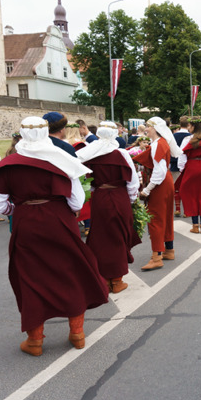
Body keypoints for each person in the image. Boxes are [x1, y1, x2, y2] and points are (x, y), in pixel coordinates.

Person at [0, 116, 108, 356]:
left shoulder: (10, 163)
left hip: (26, 221)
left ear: (22, 133)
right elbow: (76, 200)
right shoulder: (61, 160)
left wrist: (15, 210)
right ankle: (77, 333)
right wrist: (62, 212)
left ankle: (35, 340)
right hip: (59, 219)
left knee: (30, 277)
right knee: (71, 272)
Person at [76, 121, 141, 293]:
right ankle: (117, 281)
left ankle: (104, 279)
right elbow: (132, 180)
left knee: (100, 238)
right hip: (119, 196)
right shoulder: (121, 154)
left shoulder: (90, 154)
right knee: (118, 236)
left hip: (100, 198)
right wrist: (133, 200)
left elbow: (86, 182)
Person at [132, 117, 182, 271]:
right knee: (165, 217)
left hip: (159, 184)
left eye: (148, 126)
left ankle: (157, 256)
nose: (146, 129)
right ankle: (168, 250)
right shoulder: (160, 143)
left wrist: (147, 190)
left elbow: (158, 171)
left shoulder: (158, 144)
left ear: (154, 128)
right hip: (164, 182)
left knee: (155, 218)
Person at [171, 118, 192, 217]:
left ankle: (177, 208)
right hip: (188, 163)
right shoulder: (191, 137)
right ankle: (187, 210)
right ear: (189, 125)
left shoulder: (173, 136)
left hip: (174, 163)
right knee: (187, 188)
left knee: (176, 187)